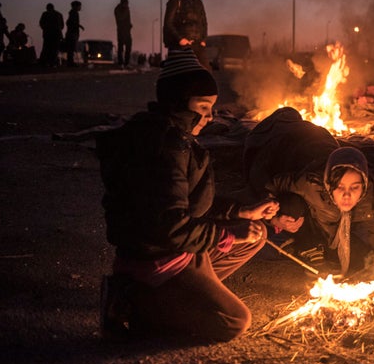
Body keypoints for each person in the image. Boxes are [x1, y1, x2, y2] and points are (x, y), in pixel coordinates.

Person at [96, 49, 278, 342]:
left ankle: (186, 296)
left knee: (255, 235)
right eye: (203, 106)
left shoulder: (175, 137)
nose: (209, 116)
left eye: (212, 107)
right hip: (158, 260)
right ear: (178, 100)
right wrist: (227, 235)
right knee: (234, 320)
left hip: (181, 249)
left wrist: (241, 213)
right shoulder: (162, 147)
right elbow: (171, 226)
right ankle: (134, 302)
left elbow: (190, 202)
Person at [265, 145, 374, 277]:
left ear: (364, 185)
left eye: (354, 188)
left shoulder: (371, 194)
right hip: (311, 224)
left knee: (364, 262)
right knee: (291, 204)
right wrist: (274, 219)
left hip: (336, 233)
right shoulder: (310, 185)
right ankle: (308, 246)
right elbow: (269, 188)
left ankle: (321, 250)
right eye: (340, 187)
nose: (347, 196)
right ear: (329, 184)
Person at [164, 0, 210, 69]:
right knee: (183, 73)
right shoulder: (175, 1)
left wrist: (203, 40)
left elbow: (204, 23)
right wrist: (180, 39)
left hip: (198, 45)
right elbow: (168, 23)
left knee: (206, 72)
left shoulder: (198, 3)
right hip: (181, 46)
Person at [64, 1, 84, 67]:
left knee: (71, 48)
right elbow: (71, 23)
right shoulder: (74, 13)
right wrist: (79, 26)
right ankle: (70, 62)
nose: (80, 7)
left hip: (72, 33)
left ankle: (70, 62)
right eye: (79, 6)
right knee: (71, 48)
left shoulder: (72, 13)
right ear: (75, 6)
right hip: (72, 33)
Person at [114, 0, 133, 68]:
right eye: (126, 4)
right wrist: (126, 11)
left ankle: (126, 63)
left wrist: (129, 25)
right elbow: (120, 18)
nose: (127, 5)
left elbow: (127, 19)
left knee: (128, 47)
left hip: (127, 31)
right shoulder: (118, 9)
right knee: (120, 47)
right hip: (121, 31)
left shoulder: (126, 9)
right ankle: (120, 63)